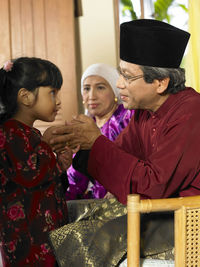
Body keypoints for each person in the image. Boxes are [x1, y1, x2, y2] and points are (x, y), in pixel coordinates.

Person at [45, 19, 200, 267]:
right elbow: (116, 153)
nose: (119, 85)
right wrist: (79, 145)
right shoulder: (145, 110)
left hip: (187, 220)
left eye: (127, 77)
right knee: (69, 218)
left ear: (160, 83)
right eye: (120, 74)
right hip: (156, 212)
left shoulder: (191, 112)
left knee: (81, 238)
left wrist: (95, 143)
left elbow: (153, 185)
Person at [0, 57, 71, 266]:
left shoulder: (28, 134)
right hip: (27, 241)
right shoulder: (9, 133)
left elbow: (44, 179)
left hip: (43, 235)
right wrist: (47, 144)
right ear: (26, 96)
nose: (58, 101)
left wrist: (61, 165)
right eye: (52, 93)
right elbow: (30, 173)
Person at [66, 63, 134, 200]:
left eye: (100, 87)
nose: (92, 96)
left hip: (125, 201)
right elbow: (75, 180)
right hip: (93, 203)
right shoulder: (82, 127)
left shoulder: (129, 118)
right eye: (86, 88)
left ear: (115, 91)